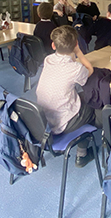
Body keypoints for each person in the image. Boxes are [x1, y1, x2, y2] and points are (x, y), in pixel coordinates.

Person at [35, 25, 101, 168]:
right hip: (63, 123)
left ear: (53, 45)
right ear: (76, 44)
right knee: (94, 101)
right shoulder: (76, 69)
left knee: (82, 96)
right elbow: (90, 69)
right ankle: (82, 154)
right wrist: (78, 52)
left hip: (43, 120)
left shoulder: (48, 59)